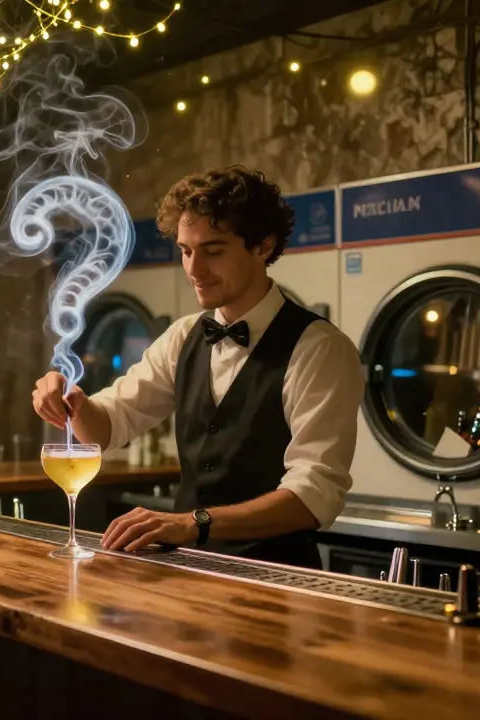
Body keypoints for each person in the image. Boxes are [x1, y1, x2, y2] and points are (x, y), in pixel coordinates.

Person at [32, 167, 364, 569]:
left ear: (263, 246)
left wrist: (193, 523)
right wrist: (72, 403)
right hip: (187, 570)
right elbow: (105, 429)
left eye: (213, 250)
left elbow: (314, 496)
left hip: (277, 579)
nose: (194, 269)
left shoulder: (320, 349)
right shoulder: (183, 336)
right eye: (186, 250)